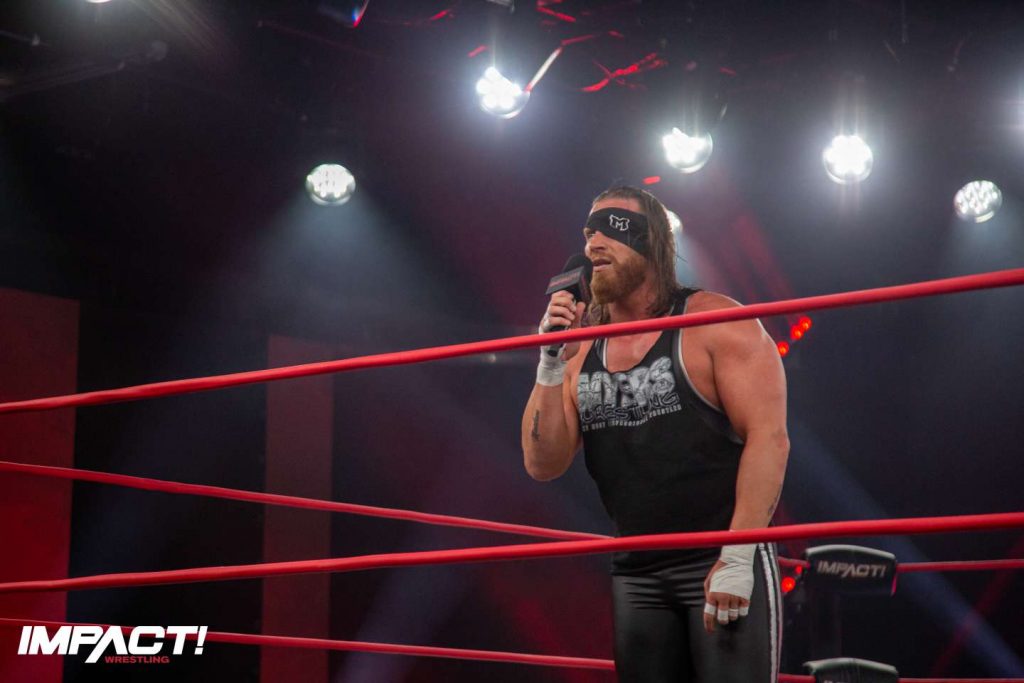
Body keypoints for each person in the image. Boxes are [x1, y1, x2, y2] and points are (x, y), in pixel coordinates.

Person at [520, 186, 789, 682]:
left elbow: (769, 439)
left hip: (718, 555)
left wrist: (738, 556)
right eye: (588, 233)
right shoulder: (580, 348)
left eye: (612, 229)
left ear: (652, 242)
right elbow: (543, 464)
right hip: (636, 571)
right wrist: (550, 361)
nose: (593, 243)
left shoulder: (715, 323)